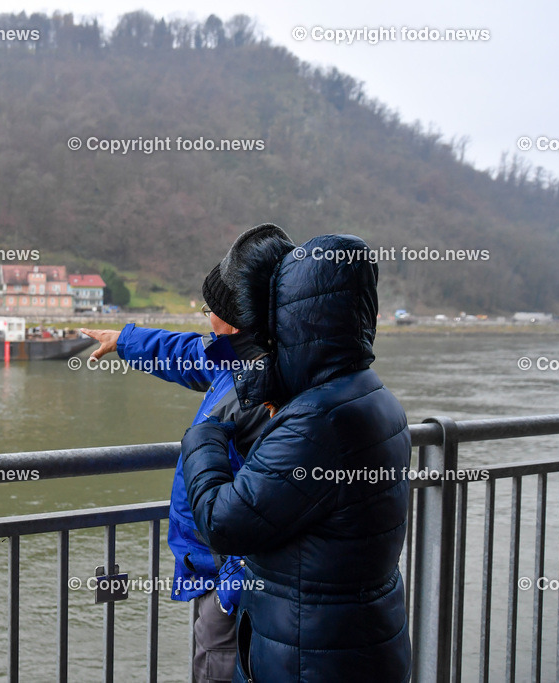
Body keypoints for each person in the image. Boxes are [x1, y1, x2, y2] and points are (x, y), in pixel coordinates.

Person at [181, 233, 412, 681]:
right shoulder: (373, 397)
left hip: (313, 653)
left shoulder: (317, 422)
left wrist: (202, 439)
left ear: (292, 321)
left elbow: (223, 522)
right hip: (358, 639)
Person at [82, 224, 292, 683]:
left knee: (220, 667)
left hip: (229, 575)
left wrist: (231, 587)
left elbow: (270, 498)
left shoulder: (257, 386)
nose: (206, 317)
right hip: (215, 568)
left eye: (209, 309)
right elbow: (187, 353)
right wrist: (125, 340)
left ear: (233, 321)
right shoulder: (241, 360)